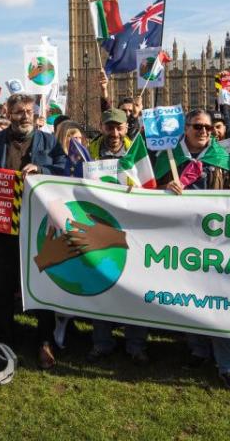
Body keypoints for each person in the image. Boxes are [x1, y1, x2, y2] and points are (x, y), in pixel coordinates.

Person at [0, 93, 66, 369]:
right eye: (19, 111)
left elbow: (66, 169)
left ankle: (44, 340)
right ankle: (5, 341)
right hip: (1, 228)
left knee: (41, 283)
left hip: (38, 227)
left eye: (29, 111)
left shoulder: (48, 141)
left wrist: (43, 168)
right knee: (2, 285)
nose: (25, 116)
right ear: (8, 113)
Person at [158, 109, 230, 391]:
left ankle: (227, 365)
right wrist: (164, 187)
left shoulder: (222, 158)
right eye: (198, 126)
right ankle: (197, 350)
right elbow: (148, 190)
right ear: (186, 129)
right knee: (189, 297)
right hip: (182, 241)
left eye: (208, 127)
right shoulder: (168, 157)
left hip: (216, 242)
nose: (204, 132)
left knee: (220, 302)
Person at [83, 109, 150, 365]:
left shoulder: (138, 154)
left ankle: (136, 344)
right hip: (100, 229)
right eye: (109, 127)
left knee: (135, 289)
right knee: (101, 287)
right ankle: (102, 342)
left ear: (125, 128)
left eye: (118, 128)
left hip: (133, 232)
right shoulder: (88, 153)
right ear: (101, 127)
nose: (113, 133)